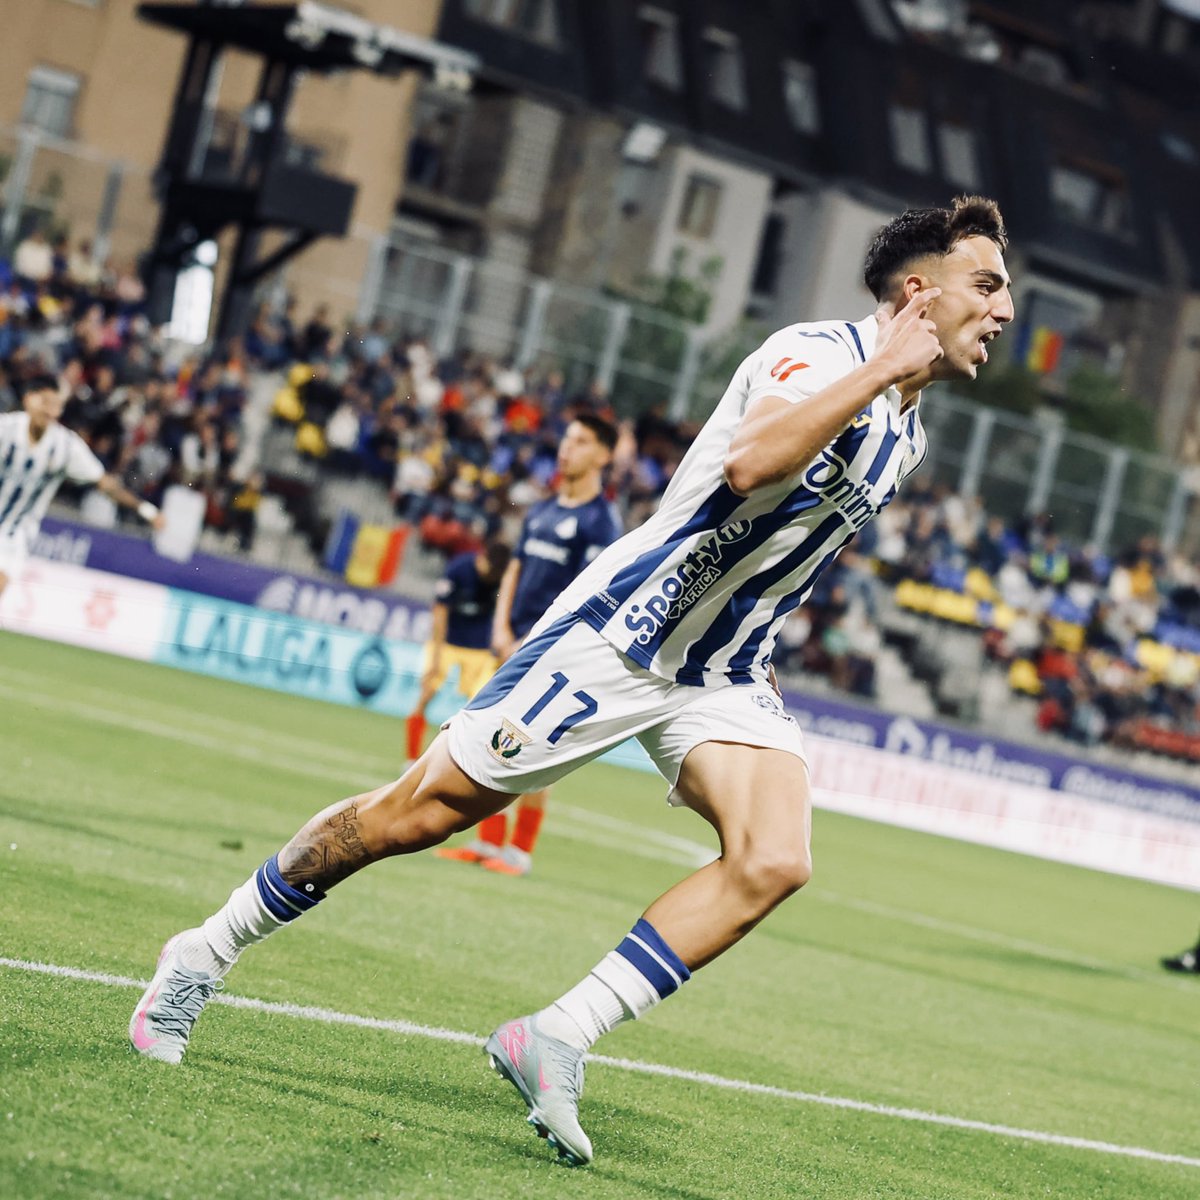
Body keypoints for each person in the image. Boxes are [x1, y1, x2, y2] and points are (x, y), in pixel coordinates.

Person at [129, 196, 1014, 1168]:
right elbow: (754, 458)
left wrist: (894, 384)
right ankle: (201, 953)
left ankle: (556, 1033)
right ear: (918, 293)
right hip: (623, 634)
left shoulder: (910, 429)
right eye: (988, 284)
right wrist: (882, 366)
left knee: (774, 858)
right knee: (417, 814)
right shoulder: (820, 352)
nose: (1005, 308)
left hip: (718, 670)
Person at [435, 414, 621, 876]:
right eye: (566, 439)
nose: (566, 448)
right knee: (491, 737)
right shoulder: (541, 511)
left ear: (603, 455)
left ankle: (518, 851)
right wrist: (500, 628)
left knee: (532, 745)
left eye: (580, 441)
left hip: (555, 649)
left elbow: (592, 589)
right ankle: (487, 844)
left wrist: (537, 639)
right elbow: (515, 570)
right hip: (510, 641)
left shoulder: (601, 522)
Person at [0, 374, 165, 603]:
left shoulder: (66, 447)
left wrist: (145, 509)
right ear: (29, 399)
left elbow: (105, 484)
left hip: (13, 535)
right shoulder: (5, 429)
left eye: (57, 406)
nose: (51, 411)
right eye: (46, 402)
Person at [404, 538, 513, 760]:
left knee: (481, 708)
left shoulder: (502, 580)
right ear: (482, 558)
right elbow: (440, 612)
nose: (490, 578)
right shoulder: (459, 569)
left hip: (479, 649)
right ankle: (411, 759)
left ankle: (464, 761)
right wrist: (435, 657)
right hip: (447, 643)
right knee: (426, 694)